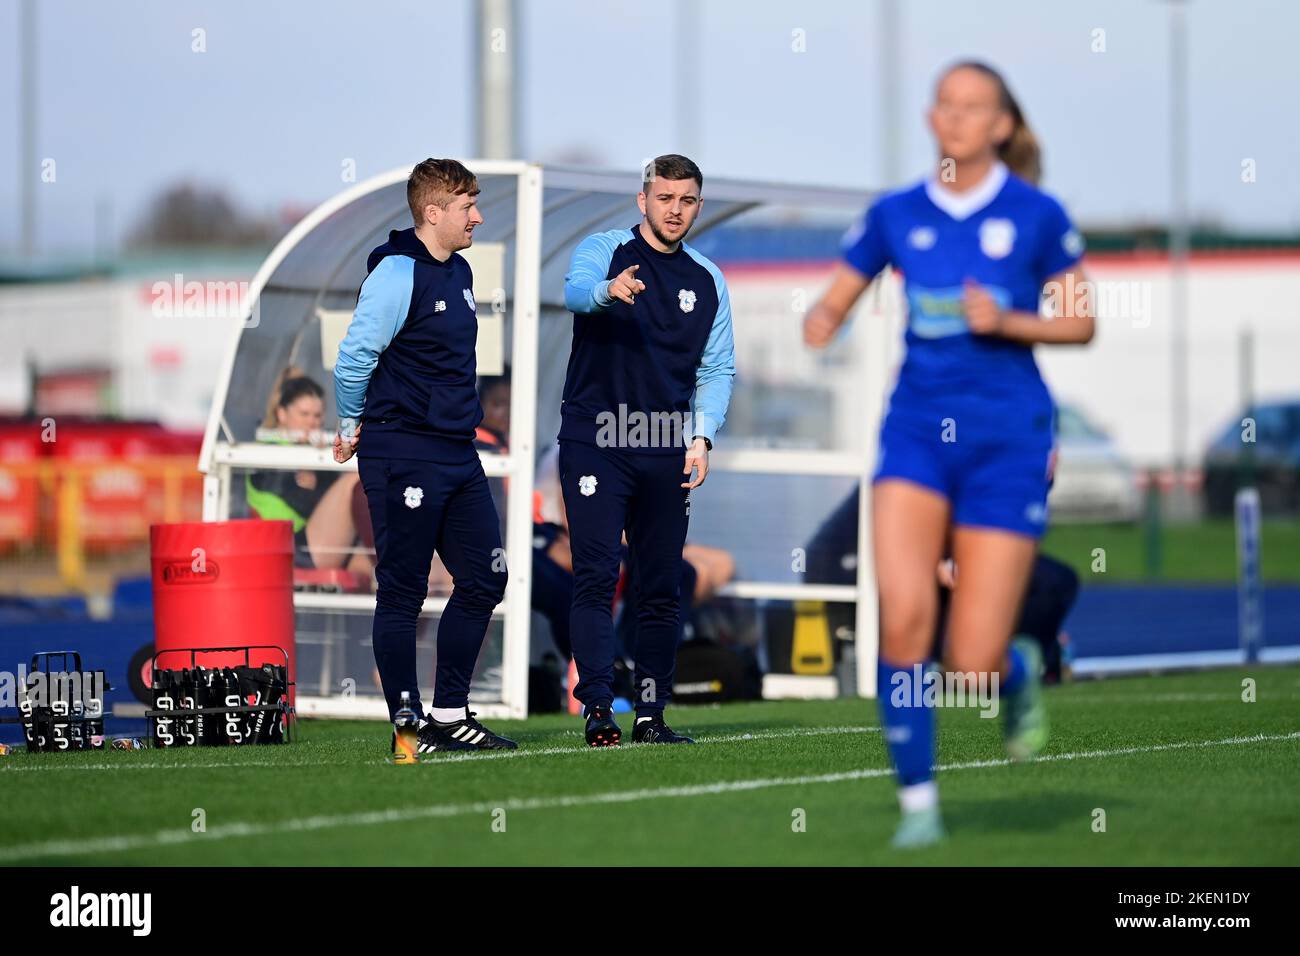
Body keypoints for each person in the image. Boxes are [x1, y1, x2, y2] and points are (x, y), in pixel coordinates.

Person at [803, 62, 1094, 846]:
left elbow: (1080, 322)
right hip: (916, 436)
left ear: (1002, 124)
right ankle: (920, 810)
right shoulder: (896, 213)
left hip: (1006, 440)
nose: (959, 119)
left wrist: (1008, 320)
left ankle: (1018, 673)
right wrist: (823, 318)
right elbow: (837, 294)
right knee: (903, 621)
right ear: (932, 120)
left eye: (977, 108)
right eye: (948, 106)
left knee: (971, 659)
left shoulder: (1036, 215)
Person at [333, 157, 516, 753]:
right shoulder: (394, 273)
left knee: (487, 577)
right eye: (468, 206)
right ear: (432, 212)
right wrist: (349, 419)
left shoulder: (460, 271)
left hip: (457, 453)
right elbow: (356, 354)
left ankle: (451, 712)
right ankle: (408, 726)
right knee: (405, 589)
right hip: (401, 451)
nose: (478, 216)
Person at [558, 153, 736, 746]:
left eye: (686, 200)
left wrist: (703, 435)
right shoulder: (605, 249)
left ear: (697, 206)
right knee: (596, 575)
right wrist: (609, 292)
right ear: (643, 200)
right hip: (597, 438)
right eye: (665, 198)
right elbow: (575, 292)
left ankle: (652, 716)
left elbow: (717, 368)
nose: (675, 209)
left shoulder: (707, 280)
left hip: (664, 445)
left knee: (661, 583)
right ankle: (599, 710)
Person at [246, 369, 370, 576]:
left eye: (317, 416)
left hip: (311, 539)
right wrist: (321, 473)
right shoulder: (268, 452)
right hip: (288, 547)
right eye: (304, 414)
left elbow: (322, 499)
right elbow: (308, 503)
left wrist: (320, 469)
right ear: (282, 414)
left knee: (370, 564)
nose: (312, 423)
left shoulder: (306, 452)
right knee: (353, 480)